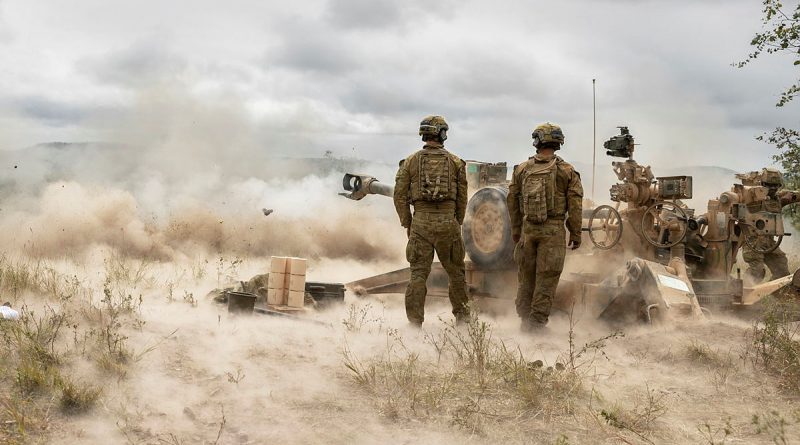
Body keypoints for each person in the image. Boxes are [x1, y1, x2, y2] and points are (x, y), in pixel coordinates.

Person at [393, 115, 469, 327]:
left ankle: (415, 323)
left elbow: (399, 196)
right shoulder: (455, 162)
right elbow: (462, 197)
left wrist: (408, 222)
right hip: (448, 224)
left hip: (421, 224)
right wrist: (457, 222)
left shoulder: (410, 162)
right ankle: (463, 321)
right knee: (456, 274)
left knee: (418, 275)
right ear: (443, 134)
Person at [507, 122, 583, 332]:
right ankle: (537, 324)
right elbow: (575, 204)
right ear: (559, 142)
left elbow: (512, 201)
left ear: (537, 141)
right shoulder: (567, 171)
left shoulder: (522, 169)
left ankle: (524, 319)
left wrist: (515, 230)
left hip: (528, 231)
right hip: (553, 231)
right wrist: (575, 233)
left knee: (526, 276)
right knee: (546, 279)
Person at [742, 168, 799, 284]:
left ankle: (773, 294)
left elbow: (795, 195)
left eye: (775, 185)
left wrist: (788, 198)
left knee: (782, 270)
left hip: (770, 243)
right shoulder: (751, 196)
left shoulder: (779, 197)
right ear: (761, 184)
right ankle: (742, 293)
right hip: (752, 243)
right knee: (757, 272)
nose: (772, 189)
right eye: (768, 185)